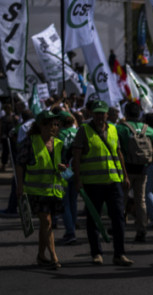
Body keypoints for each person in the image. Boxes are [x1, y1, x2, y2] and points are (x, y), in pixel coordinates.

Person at [71, 100, 134, 266]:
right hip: (92, 183)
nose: (100, 116)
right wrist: (78, 180)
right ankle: (96, 253)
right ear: (92, 113)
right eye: (97, 113)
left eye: (102, 113)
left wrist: (125, 176)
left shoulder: (113, 129)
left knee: (119, 218)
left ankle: (119, 254)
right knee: (93, 219)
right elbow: (76, 157)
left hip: (113, 181)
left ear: (107, 114)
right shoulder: (84, 130)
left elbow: (118, 154)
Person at [15, 111, 66, 269]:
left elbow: (62, 163)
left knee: (46, 224)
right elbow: (20, 163)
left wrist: (63, 167)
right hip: (36, 191)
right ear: (40, 126)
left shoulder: (58, 143)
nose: (53, 127)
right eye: (49, 124)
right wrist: (20, 186)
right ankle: (53, 257)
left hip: (53, 191)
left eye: (55, 124)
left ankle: (40, 255)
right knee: (47, 221)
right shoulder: (30, 142)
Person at [116, 101, 153, 242]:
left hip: (126, 170)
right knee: (141, 201)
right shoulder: (149, 130)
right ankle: (141, 230)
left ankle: (119, 226)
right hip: (142, 169)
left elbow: (117, 150)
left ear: (126, 113)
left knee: (122, 200)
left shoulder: (121, 128)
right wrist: (150, 161)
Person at [57, 110, 80, 246]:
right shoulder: (78, 132)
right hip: (76, 170)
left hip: (64, 170)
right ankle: (72, 226)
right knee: (73, 201)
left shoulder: (60, 134)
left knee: (65, 203)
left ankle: (70, 231)